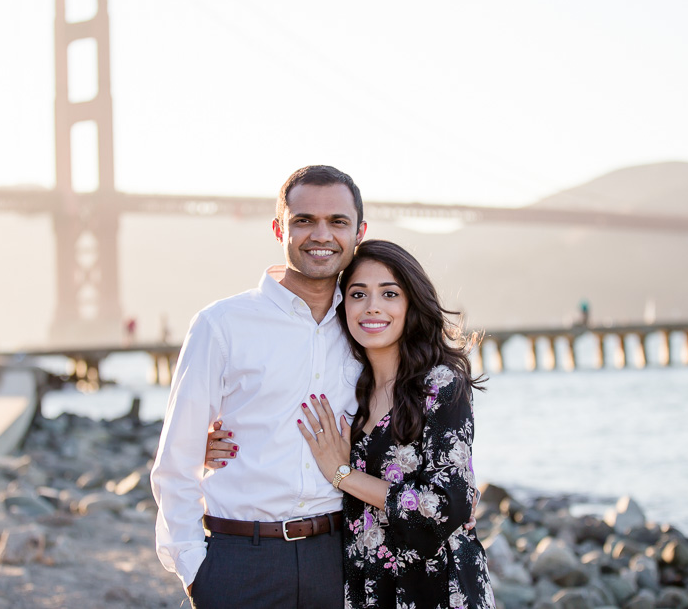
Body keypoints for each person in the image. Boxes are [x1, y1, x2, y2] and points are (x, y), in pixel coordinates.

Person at [150, 165, 367, 608]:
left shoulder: (367, 327)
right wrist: (196, 569)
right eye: (304, 220)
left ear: (359, 232)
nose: (321, 235)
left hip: (339, 559)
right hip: (239, 561)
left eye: (337, 222)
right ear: (278, 228)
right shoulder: (222, 324)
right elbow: (177, 458)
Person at [296, 240, 496, 608]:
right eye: (358, 294)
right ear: (344, 308)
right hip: (369, 585)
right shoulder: (347, 392)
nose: (373, 306)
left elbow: (443, 507)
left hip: (438, 589)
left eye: (389, 293)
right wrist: (211, 444)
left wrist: (343, 475)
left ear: (410, 304)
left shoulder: (441, 385)